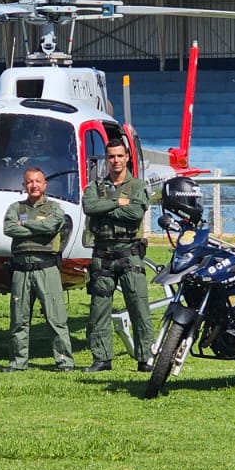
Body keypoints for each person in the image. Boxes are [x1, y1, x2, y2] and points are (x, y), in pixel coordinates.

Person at [81, 141, 154, 372]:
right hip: (102, 255)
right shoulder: (95, 186)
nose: (115, 160)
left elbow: (135, 213)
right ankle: (102, 359)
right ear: (106, 159)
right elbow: (89, 207)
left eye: (120, 156)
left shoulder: (137, 185)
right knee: (99, 309)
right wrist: (116, 202)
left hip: (129, 253)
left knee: (138, 307)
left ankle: (145, 359)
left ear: (127, 158)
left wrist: (107, 209)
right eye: (111, 156)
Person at [2, 166, 73, 371]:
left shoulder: (54, 208)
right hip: (21, 269)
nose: (33, 185)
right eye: (29, 181)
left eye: (37, 181)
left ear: (44, 184)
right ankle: (18, 361)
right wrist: (36, 227)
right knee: (19, 319)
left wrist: (25, 225)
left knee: (55, 317)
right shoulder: (16, 208)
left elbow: (52, 227)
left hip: (46, 268)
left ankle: (64, 361)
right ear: (24, 185)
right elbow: (9, 228)